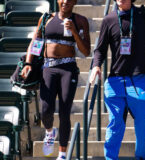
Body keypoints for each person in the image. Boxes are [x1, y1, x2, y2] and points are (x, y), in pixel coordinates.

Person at [89, 0, 145, 159]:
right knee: (115, 124)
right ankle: (110, 157)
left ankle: (141, 156)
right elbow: (100, 49)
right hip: (115, 81)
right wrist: (96, 66)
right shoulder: (109, 19)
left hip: (139, 80)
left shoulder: (144, 15)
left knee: (142, 123)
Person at [21, 0, 91, 159]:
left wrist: (74, 31)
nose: (65, 1)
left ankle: (62, 153)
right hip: (49, 68)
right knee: (46, 109)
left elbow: (86, 51)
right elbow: (36, 41)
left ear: (74, 2)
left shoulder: (80, 20)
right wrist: (28, 63)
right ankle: (49, 132)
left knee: (65, 112)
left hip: (68, 68)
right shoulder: (46, 18)